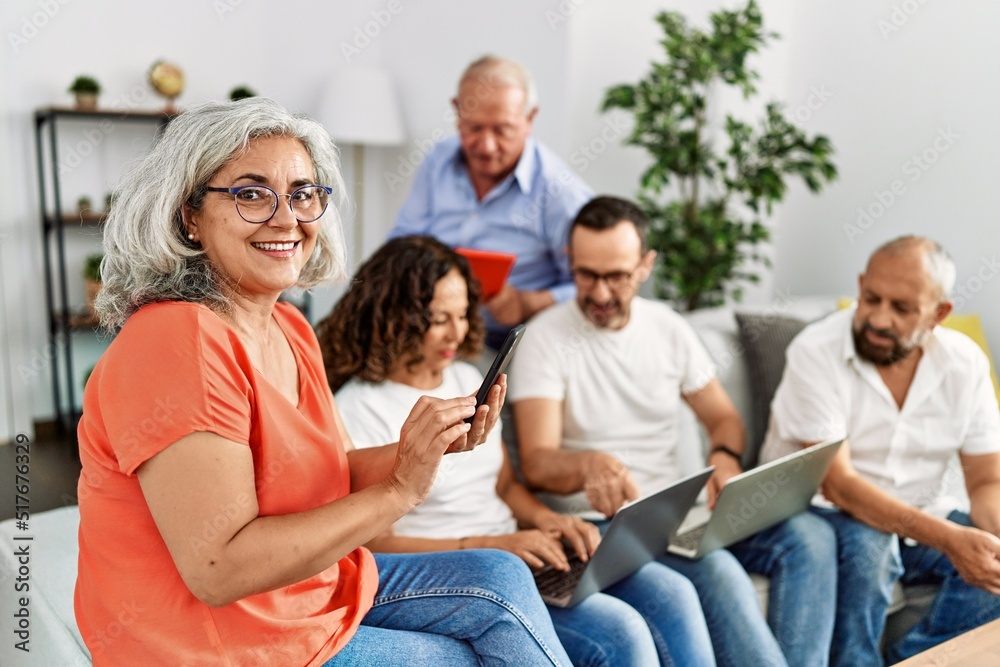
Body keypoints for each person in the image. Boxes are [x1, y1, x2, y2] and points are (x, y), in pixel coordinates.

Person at [74, 98, 574, 667]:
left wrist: (424, 450)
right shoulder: (176, 338)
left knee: (500, 573)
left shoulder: (288, 324)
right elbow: (218, 568)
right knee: (460, 656)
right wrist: (399, 492)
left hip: (304, 593)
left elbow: (333, 475)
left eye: (303, 193)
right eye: (251, 193)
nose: (287, 218)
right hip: (217, 644)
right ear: (189, 215)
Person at [316, 234, 717, 667]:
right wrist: (495, 544)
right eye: (437, 320)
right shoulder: (357, 407)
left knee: (670, 590)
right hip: (465, 571)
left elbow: (504, 483)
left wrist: (551, 521)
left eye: (463, 315)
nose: (458, 332)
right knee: (622, 632)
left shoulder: (465, 378)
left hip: (520, 552)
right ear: (392, 317)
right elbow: (375, 543)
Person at [508, 195, 839, 667]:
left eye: (616, 276)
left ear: (645, 265)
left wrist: (724, 456)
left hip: (678, 512)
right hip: (605, 526)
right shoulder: (546, 337)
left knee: (810, 537)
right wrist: (589, 464)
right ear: (570, 263)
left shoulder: (668, 328)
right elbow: (538, 463)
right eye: (586, 275)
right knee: (720, 573)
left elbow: (723, 418)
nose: (600, 294)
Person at [762, 235, 1000, 665]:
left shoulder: (966, 364)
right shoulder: (816, 352)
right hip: (828, 512)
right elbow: (841, 486)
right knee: (872, 550)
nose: (878, 319)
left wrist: (992, 533)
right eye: (870, 298)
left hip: (925, 515)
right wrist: (949, 539)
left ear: (939, 313)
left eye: (901, 308)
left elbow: (986, 481)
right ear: (860, 285)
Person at [389, 55, 593, 349]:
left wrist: (530, 303)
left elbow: (594, 286)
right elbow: (402, 241)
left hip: (512, 341)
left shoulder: (560, 192)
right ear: (457, 111)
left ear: (530, 119)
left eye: (502, 130)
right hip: (427, 330)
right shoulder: (438, 160)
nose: (486, 146)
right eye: (473, 128)